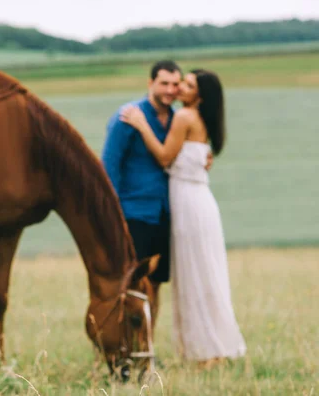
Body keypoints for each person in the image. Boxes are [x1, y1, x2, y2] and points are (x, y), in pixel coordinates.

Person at [120, 69, 247, 365]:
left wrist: (141, 124)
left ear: (199, 96)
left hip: (189, 204)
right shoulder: (203, 119)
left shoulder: (184, 117)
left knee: (194, 277)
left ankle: (203, 352)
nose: (179, 89)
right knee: (206, 274)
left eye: (187, 85)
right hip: (200, 202)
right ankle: (212, 348)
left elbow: (165, 157)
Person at [102, 60, 185, 299]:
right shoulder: (127, 116)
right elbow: (110, 166)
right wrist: (113, 215)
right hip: (133, 212)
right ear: (150, 83)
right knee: (132, 283)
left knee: (156, 282)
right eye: (164, 84)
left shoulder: (177, 120)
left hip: (165, 212)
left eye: (175, 84)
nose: (170, 90)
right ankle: (127, 337)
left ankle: (147, 338)